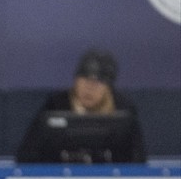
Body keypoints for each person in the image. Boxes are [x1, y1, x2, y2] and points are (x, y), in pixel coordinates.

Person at [17, 47, 146, 163]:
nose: (89, 88)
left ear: (108, 88)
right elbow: (26, 156)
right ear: (75, 80)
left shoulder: (123, 110)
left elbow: (138, 158)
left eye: (98, 82)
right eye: (84, 79)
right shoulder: (56, 105)